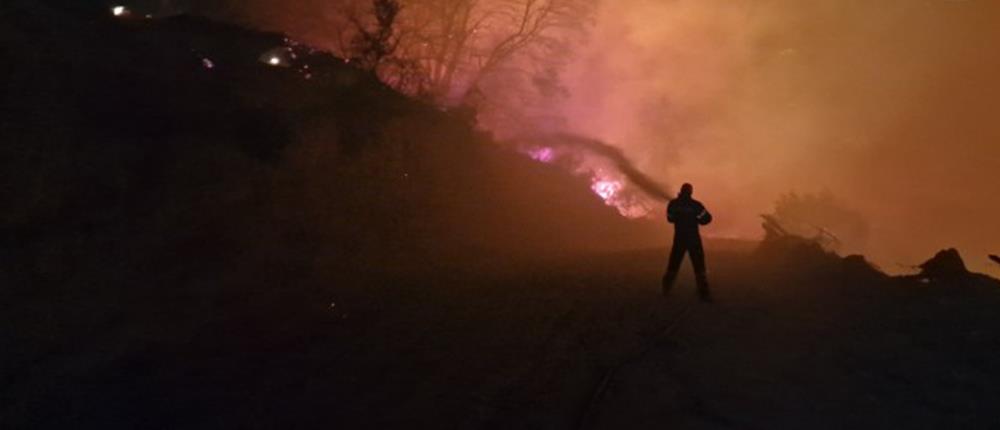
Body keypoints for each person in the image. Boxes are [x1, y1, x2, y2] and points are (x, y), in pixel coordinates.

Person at [662, 183, 713, 302]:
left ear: (681, 191)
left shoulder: (673, 204)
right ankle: (703, 292)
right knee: (699, 265)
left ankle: (666, 289)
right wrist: (697, 220)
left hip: (679, 238)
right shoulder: (696, 205)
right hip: (693, 238)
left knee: (674, 263)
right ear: (691, 192)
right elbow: (707, 219)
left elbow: (670, 219)